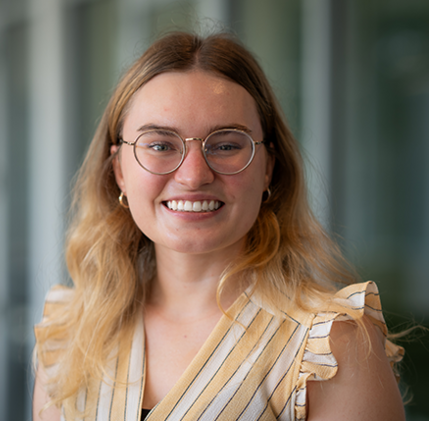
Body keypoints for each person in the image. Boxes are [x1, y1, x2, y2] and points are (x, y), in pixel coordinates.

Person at [33, 32, 405, 421]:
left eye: (226, 145)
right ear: (119, 172)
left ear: (268, 169)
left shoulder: (331, 347)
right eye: (160, 145)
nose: (193, 175)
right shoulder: (68, 333)